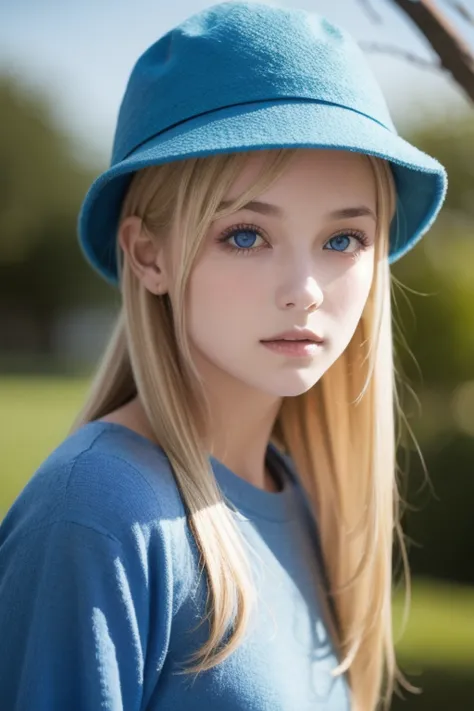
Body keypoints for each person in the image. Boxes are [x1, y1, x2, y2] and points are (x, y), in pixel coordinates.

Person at [0, 2, 447, 710]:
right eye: (245, 235)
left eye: (342, 240)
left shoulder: (300, 498)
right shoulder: (97, 513)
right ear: (148, 253)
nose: (304, 291)